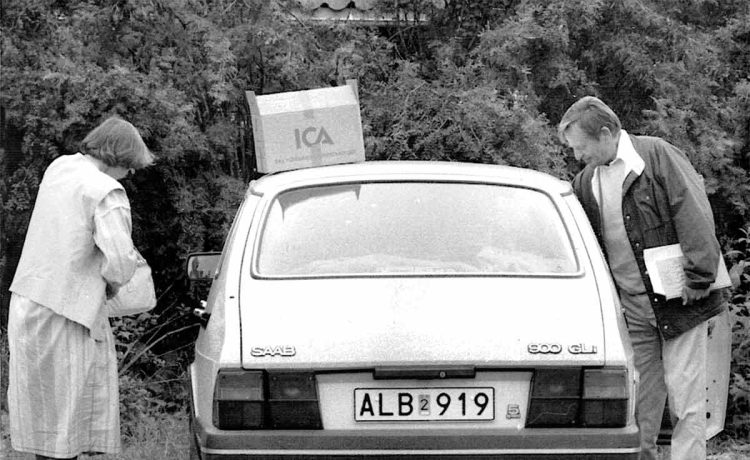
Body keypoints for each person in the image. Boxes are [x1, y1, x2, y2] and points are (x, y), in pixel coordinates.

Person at [558, 96, 727, 460]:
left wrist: (699, 278)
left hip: (682, 301)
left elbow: (693, 212)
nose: (576, 156)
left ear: (605, 134)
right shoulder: (585, 182)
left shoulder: (657, 155)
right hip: (632, 309)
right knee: (637, 406)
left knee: (686, 402)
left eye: (580, 147)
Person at [7, 116, 154, 459]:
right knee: (69, 417)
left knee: (45, 413)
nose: (131, 173)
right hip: (67, 312)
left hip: (29, 302)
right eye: (131, 165)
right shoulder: (106, 191)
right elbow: (119, 262)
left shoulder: (59, 168)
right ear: (119, 156)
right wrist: (113, 288)